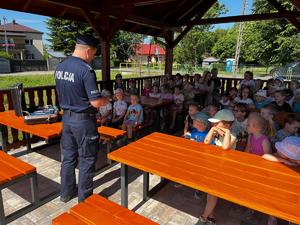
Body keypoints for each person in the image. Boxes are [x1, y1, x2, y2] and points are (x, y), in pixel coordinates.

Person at [55, 34, 108, 203]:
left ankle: (65, 193)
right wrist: (107, 99)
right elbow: (96, 102)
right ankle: (84, 200)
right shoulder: (86, 70)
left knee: (68, 157)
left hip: (67, 120)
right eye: (93, 54)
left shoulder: (60, 67)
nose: (93, 58)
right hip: (84, 122)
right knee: (87, 159)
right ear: (87, 51)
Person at [197, 109, 237, 225]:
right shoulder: (215, 130)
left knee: (212, 193)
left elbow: (225, 147)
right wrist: (213, 129)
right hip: (215, 164)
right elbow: (206, 142)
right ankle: (211, 216)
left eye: (216, 123)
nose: (213, 124)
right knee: (211, 193)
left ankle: (204, 216)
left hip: (224, 167)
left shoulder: (232, 135)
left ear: (227, 125)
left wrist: (227, 131)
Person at [262, 136, 300, 225]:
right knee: (275, 201)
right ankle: (273, 215)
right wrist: (285, 161)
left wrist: (297, 161)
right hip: (279, 186)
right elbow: (265, 156)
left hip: (293, 191)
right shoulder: (280, 156)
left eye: (281, 150)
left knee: (293, 205)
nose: (278, 150)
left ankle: (292, 220)